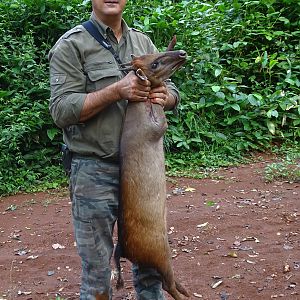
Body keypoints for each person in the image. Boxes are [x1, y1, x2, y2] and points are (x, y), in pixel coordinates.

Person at [49, 0, 180, 299]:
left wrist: (167, 96)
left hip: (143, 172)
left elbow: (170, 88)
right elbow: (60, 110)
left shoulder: (142, 41)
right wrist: (114, 91)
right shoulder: (72, 45)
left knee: (150, 269)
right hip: (94, 171)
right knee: (97, 273)